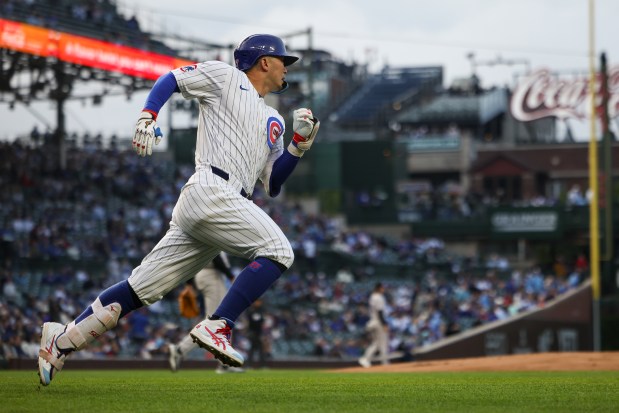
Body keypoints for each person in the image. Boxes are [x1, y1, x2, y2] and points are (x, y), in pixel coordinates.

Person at [37, 33, 320, 386]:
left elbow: (273, 185)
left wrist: (297, 146)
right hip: (212, 188)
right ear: (264, 62)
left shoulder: (273, 120)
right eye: (283, 59)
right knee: (278, 250)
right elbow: (172, 78)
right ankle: (219, 325)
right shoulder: (226, 77)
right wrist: (147, 115)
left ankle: (60, 341)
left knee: (140, 289)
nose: (285, 67)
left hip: (219, 205)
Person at [168, 253, 243, 373]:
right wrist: (231, 276)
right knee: (218, 321)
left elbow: (190, 260)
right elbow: (215, 256)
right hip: (211, 275)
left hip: (205, 275)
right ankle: (180, 350)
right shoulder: (215, 235)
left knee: (216, 321)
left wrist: (189, 283)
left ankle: (180, 350)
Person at [358, 282, 390, 368]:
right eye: (383, 288)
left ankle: (365, 359)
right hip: (378, 322)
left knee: (376, 343)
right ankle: (385, 362)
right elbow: (380, 312)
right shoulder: (379, 297)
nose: (384, 289)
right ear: (379, 288)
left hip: (372, 321)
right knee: (383, 342)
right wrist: (384, 324)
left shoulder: (372, 296)